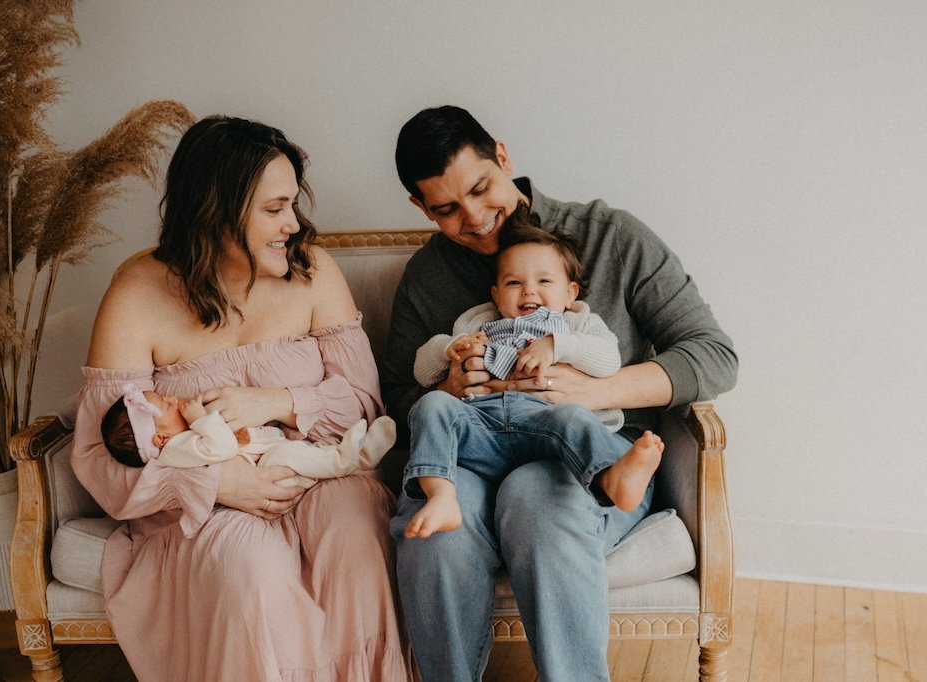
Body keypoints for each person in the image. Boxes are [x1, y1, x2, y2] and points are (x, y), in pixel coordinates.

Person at [383, 105, 738, 681]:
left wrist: (596, 389)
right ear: (420, 208)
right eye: (446, 209)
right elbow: (397, 391)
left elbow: (713, 354)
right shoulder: (429, 276)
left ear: (503, 157)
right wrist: (446, 382)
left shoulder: (610, 236)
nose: (474, 219)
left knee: (536, 501)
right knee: (434, 532)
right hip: (471, 456)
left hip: (578, 456)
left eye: (480, 188)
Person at [72, 115, 415, 681]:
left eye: (293, 206)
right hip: (201, 507)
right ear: (217, 212)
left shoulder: (313, 271)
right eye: (275, 209)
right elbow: (104, 455)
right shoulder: (137, 291)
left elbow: (364, 404)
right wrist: (219, 483)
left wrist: (275, 400)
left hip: (320, 476)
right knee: (250, 568)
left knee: (355, 529)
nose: (294, 226)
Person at [403, 207, 664, 539]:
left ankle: (609, 477)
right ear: (496, 294)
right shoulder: (475, 324)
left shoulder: (577, 323)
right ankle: (441, 495)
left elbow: (608, 360)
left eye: (543, 281)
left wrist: (558, 345)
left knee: (575, 417)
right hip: (484, 432)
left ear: (570, 294)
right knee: (430, 406)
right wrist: (449, 349)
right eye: (514, 282)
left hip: (547, 431)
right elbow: (421, 373)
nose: (528, 291)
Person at [101, 383, 396, 489]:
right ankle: (348, 460)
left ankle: (354, 453)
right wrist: (201, 419)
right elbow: (224, 446)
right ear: (161, 439)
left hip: (266, 452)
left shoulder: (185, 437)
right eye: (166, 404)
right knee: (290, 455)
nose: (173, 397)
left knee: (299, 451)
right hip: (268, 472)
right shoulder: (178, 449)